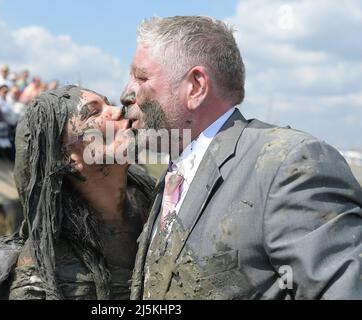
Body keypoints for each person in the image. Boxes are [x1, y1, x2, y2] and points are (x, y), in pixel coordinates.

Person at [120, 16, 362, 299]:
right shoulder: (174, 177)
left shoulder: (288, 166)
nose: (127, 93)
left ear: (196, 87)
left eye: (141, 77)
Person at [0, 85, 155, 300]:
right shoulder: (45, 273)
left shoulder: (162, 199)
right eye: (94, 112)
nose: (118, 110)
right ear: (66, 159)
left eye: (108, 103)